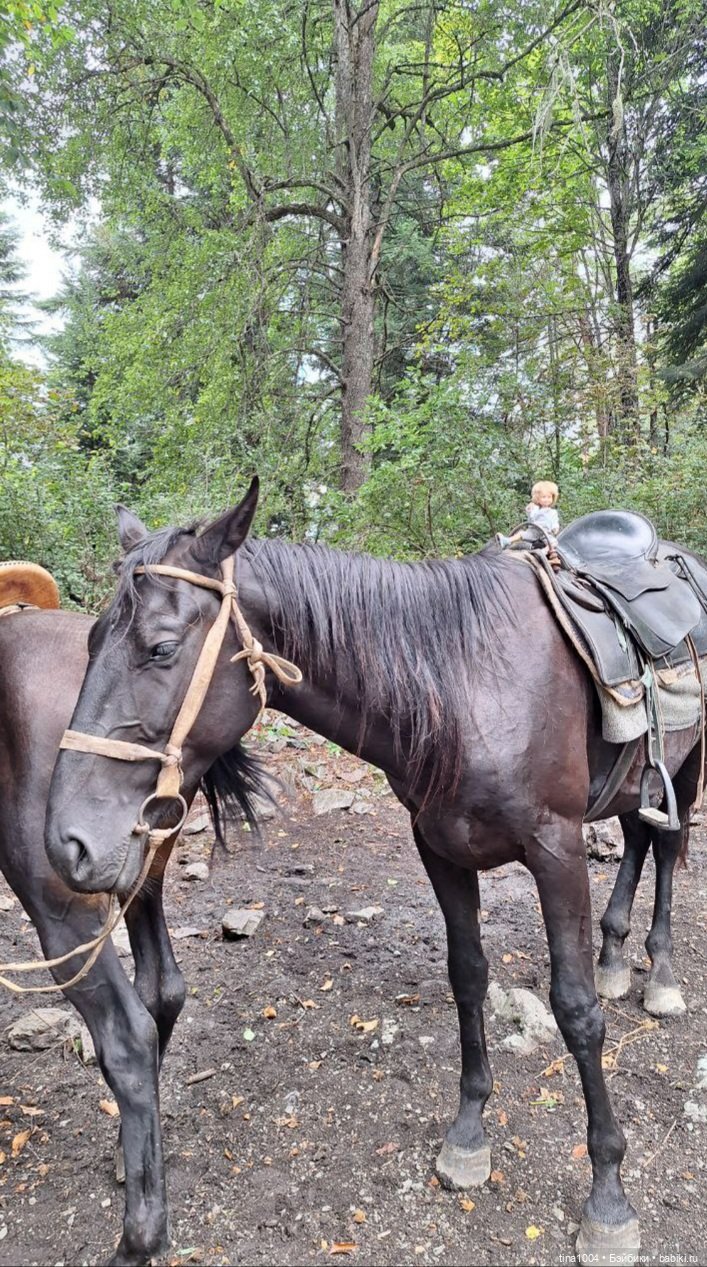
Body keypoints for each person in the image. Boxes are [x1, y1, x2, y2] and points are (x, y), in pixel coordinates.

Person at [497, 480, 560, 550]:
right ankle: (507, 541)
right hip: (534, 530)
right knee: (521, 534)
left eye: (549, 497)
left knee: (554, 542)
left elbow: (555, 521)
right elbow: (531, 519)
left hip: (546, 533)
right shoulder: (536, 509)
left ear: (553, 498)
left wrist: (555, 527)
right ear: (538, 499)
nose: (546, 499)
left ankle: (544, 551)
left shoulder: (553, 512)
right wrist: (530, 511)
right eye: (544, 497)